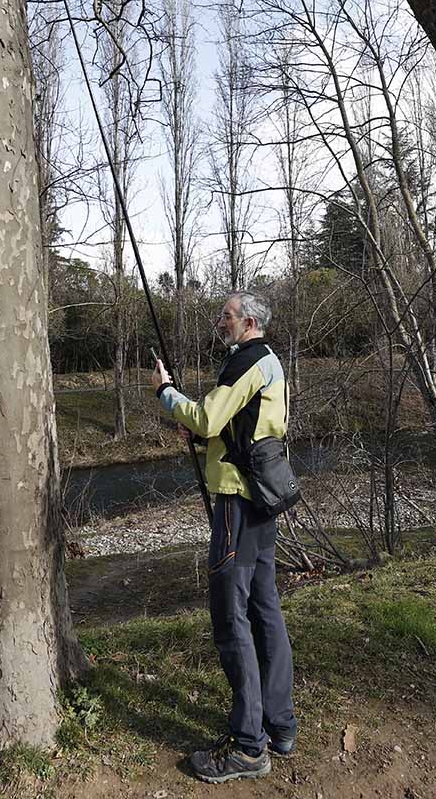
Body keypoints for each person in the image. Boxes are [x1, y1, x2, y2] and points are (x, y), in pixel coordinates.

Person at [151, 291, 296, 785]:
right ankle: (279, 728)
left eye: (227, 316)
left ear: (249, 321)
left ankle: (250, 747)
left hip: (237, 501)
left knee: (231, 618)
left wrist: (167, 395)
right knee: (265, 610)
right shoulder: (269, 361)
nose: (220, 322)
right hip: (263, 500)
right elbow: (244, 425)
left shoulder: (247, 360)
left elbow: (211, 415)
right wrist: (206, 436)